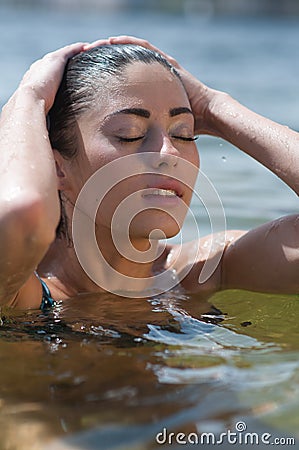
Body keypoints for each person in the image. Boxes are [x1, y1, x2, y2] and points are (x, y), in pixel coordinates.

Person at [0, 36, 298, 311]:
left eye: (184, 133)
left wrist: (213, 106)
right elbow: (21, 213)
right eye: (130, 135)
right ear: (56, 168)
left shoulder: (200, 272)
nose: (170, 154)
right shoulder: (18, 291)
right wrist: (30, 97)